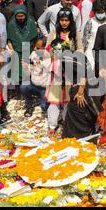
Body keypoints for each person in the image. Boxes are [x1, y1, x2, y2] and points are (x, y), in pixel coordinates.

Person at [45, 8, 80, 136]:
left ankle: (66, 123)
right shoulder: (54, 34)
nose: (64, 23)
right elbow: (47, 50)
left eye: (67, 20)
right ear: (58, 21)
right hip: (56, 69)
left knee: (67, 99)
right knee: (54, 99)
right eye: (62, 20)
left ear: (71, 21)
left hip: (70, 70)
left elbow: (80, 49)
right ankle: (52, 125)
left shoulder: (75, 35)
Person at [7, 5, 39, 81]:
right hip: (16, 52)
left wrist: (34, 49)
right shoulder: (11, 24)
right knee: (16, 73)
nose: (20, 18)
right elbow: (9, 39)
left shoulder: (31, 22)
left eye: (22, 16)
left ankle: (29, 90)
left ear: (26, 14)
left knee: (29, 73)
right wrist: (12, 51)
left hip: (28, 51)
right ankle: (17, 91)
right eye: (18, 16)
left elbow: (35, 38)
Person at [20, 38, 50, 117]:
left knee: (44, 107)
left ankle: (43, 101)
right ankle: (29, 105)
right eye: (35, 47)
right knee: (23, 87)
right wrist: (25, 66)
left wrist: (41, 63)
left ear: (44, 49)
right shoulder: (33, 54)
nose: (34, 49)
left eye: (37, 48)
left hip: (45, 88)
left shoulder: (49, 57)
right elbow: (28, 72)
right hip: (33, 84)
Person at [82, 0, 106, 71]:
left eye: (102, 12)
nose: (100, 14)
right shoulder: (90, 22)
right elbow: (85, 39)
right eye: (98, 12)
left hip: (104, 52)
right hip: (90, 51)